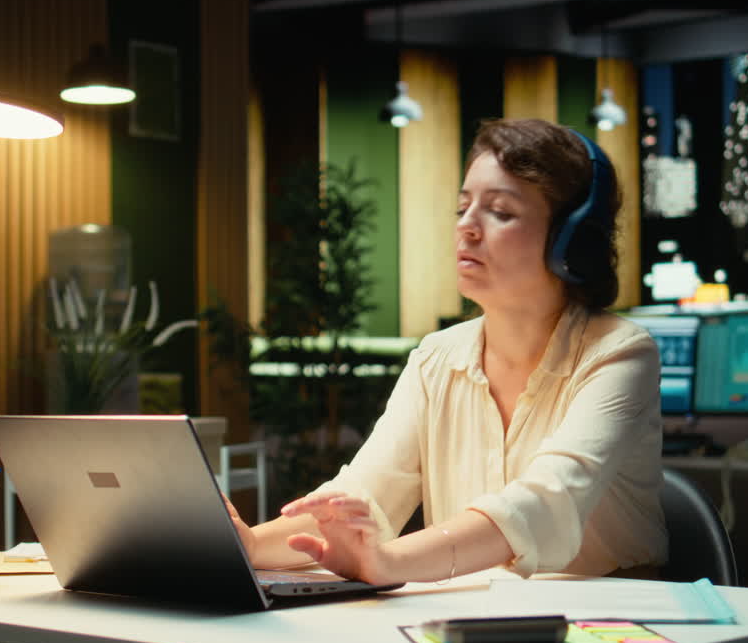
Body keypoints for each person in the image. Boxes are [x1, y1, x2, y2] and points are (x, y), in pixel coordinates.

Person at [227, 118, 667, 585]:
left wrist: (389, 562)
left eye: (499, 211)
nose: (467, 228)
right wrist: (250, 545)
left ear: (572, 241)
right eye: (463, 207)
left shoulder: (620, 354)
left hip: (614, 624)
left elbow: (543, 503)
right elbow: (364, 496)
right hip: (475, 619)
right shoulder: (437, 358)